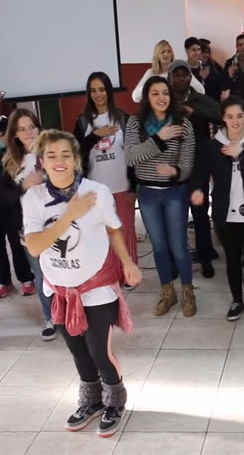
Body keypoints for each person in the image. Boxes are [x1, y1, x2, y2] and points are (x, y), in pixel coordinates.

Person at [23, 129, 141, 437]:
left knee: (99, 350)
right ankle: (92, 400)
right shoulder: (33, 198)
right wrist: (69, 215)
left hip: (96, 287)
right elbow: (34, 246)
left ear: (76, 159)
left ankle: (114, 399)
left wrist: (127, 263)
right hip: (59, 289)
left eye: (65, 155)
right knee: (77, 349)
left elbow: (114, 230)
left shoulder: (96, 191)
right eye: (51, 156)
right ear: (42, 162)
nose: (59, 161)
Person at [191, 96, 244, 323]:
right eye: (229, 117)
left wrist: (242, 154)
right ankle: (237, 300)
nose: (235, 121)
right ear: (223, 119)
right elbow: (200, 172)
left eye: (239, 116)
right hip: (225, 214)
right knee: (233, 261)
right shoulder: (214, 145)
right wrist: (198, 189)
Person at [124, 76, 197, 317]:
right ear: (147, 97)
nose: (161, 98)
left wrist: (176, 171)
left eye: (165, 92)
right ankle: (168, 292)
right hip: (147, 195)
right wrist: (159, 138)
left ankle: (188, 292)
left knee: (178, 245)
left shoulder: (183, 124)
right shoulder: (136, 123)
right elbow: (131, 157)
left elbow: (188, 162)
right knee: (159, 246)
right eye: (155, 93)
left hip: (174, 192)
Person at [73, 72, 138, 290]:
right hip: (96, 190)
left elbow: (132, 154)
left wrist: (133, 185)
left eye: (102, 89)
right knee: (102, 233)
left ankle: (128, 273)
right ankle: (109, 274)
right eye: (93, 90)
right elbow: (76, 153)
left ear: (108, 91)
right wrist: (95, 135)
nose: (98, 94)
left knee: (125, 231)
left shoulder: (122, 118)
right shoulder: (82, 122)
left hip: (121, 185)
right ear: (88, 94)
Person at [2, 109, 55, 339]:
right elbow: (4, 198)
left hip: (58, 223)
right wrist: (23, 185)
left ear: (38, 127)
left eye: (31, 126)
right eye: (21, 129)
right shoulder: (9, 162)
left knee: (65, 271)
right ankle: (50, 317)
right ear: (14, 134)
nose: (28, 133)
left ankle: (74, 314)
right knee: (41, 275)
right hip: (29, 228)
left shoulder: (52, 150)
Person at [167, 60, 222, 278]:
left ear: (191, 76)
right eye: (176, 75)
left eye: (184, 74)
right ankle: (175, 260)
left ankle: (205, 257)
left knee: (200, 213)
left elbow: (219, 114)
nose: (180, 79)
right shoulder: (163, 98)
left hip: (198, 164)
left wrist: (193, 112)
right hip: (172, 165)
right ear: (169, 77)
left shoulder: (199, 98)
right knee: (175, 216)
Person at [0, 115, 34, 299]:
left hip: (13, 205)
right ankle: (3, 280)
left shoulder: (15, 154)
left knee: (16, 242)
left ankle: (26, 279)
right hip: (5, 202)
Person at [131, 40, 204, 103]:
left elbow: (201, 90)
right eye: (162, 52)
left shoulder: (182, 70)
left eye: (168, 51)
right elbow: (135, 97)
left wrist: (182, 85)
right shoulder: (151, 73)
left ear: (172, 54)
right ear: (157, 55)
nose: (166, 54)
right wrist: (153, 84)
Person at [185, 37, 222, 102]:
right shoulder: (184, 69)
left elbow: (217, 87)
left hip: (211, 104)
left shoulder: (207, 66)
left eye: (198, 50)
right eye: (193, 50)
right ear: (187, 50)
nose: (197, 53)